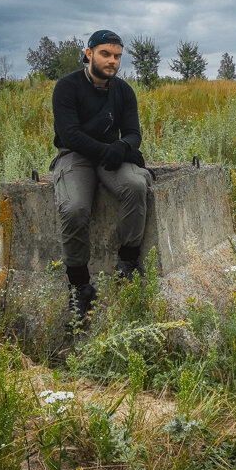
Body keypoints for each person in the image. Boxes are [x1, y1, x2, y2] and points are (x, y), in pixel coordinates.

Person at [49, 29, 151, 317]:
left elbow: (133, 133)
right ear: (89, 53)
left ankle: (127, 263)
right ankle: (80, 285)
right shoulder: (67, 87)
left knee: (135, 185)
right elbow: (69, 135)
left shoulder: (123, 91)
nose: (112, 61)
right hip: (76, 156)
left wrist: (121, 146)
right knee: (74, 207)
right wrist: (108, 150)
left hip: (110, 155)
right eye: (106, 54)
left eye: (117, 56)